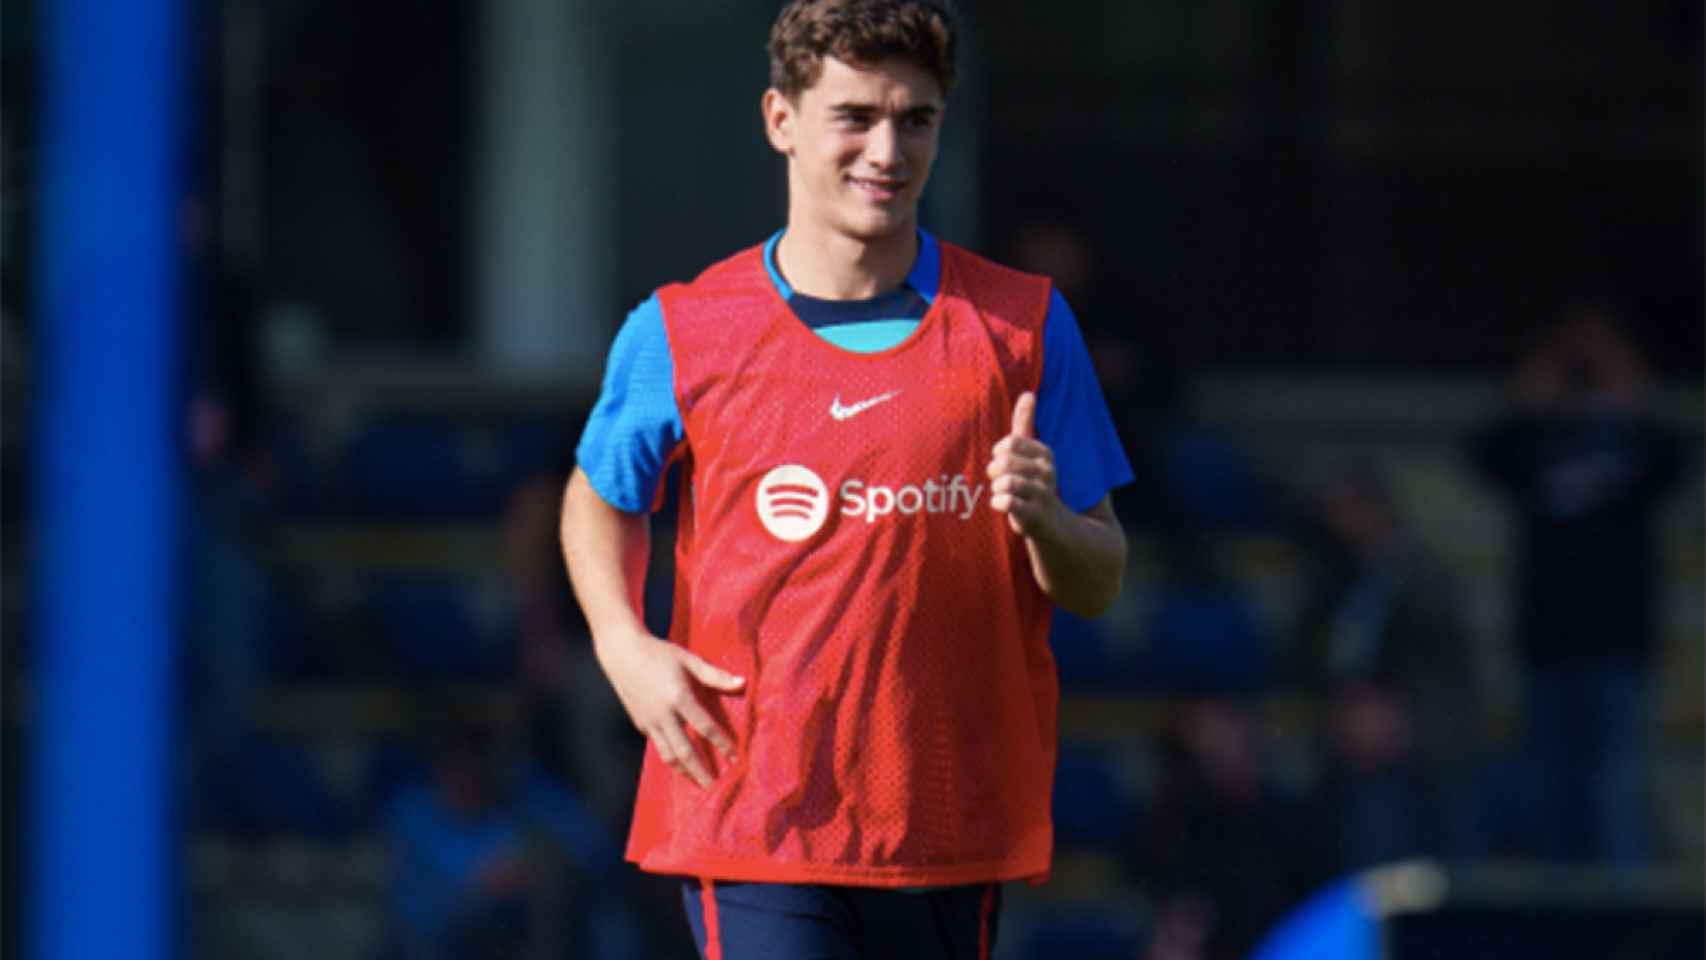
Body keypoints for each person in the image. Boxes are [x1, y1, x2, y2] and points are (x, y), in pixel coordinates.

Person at [559, 2, 1133, 956]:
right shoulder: (684, 328)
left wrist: (1045, 523)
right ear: (781, 120)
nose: (887, 149)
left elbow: (1100, 577)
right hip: (754, 818)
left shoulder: (1023, 329)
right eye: (855, 116)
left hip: (950, 825)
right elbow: (599, 497)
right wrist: (624, 645)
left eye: (916, 119)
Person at [1468, 303, 1686, 864]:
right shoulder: (1533, 440)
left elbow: (1676, 456)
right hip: (1547, 639)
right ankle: (1558, 912)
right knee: (1550, 786)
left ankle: (1625, 915)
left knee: (1618, 784)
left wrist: (1624, 382)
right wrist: (1535, 388)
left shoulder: (1635, 442)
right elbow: (1484, 452)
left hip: (1620, 641)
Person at [1294, 468, 1485, 870]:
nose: (1335, 522)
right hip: (1354, 745)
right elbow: (1316, 656)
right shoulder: (1333, 576)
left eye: (1345, 510)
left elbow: (1441, 664)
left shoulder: (1420, 573)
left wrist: (1395, 717)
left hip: (1422, 744)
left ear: (1376, 510)